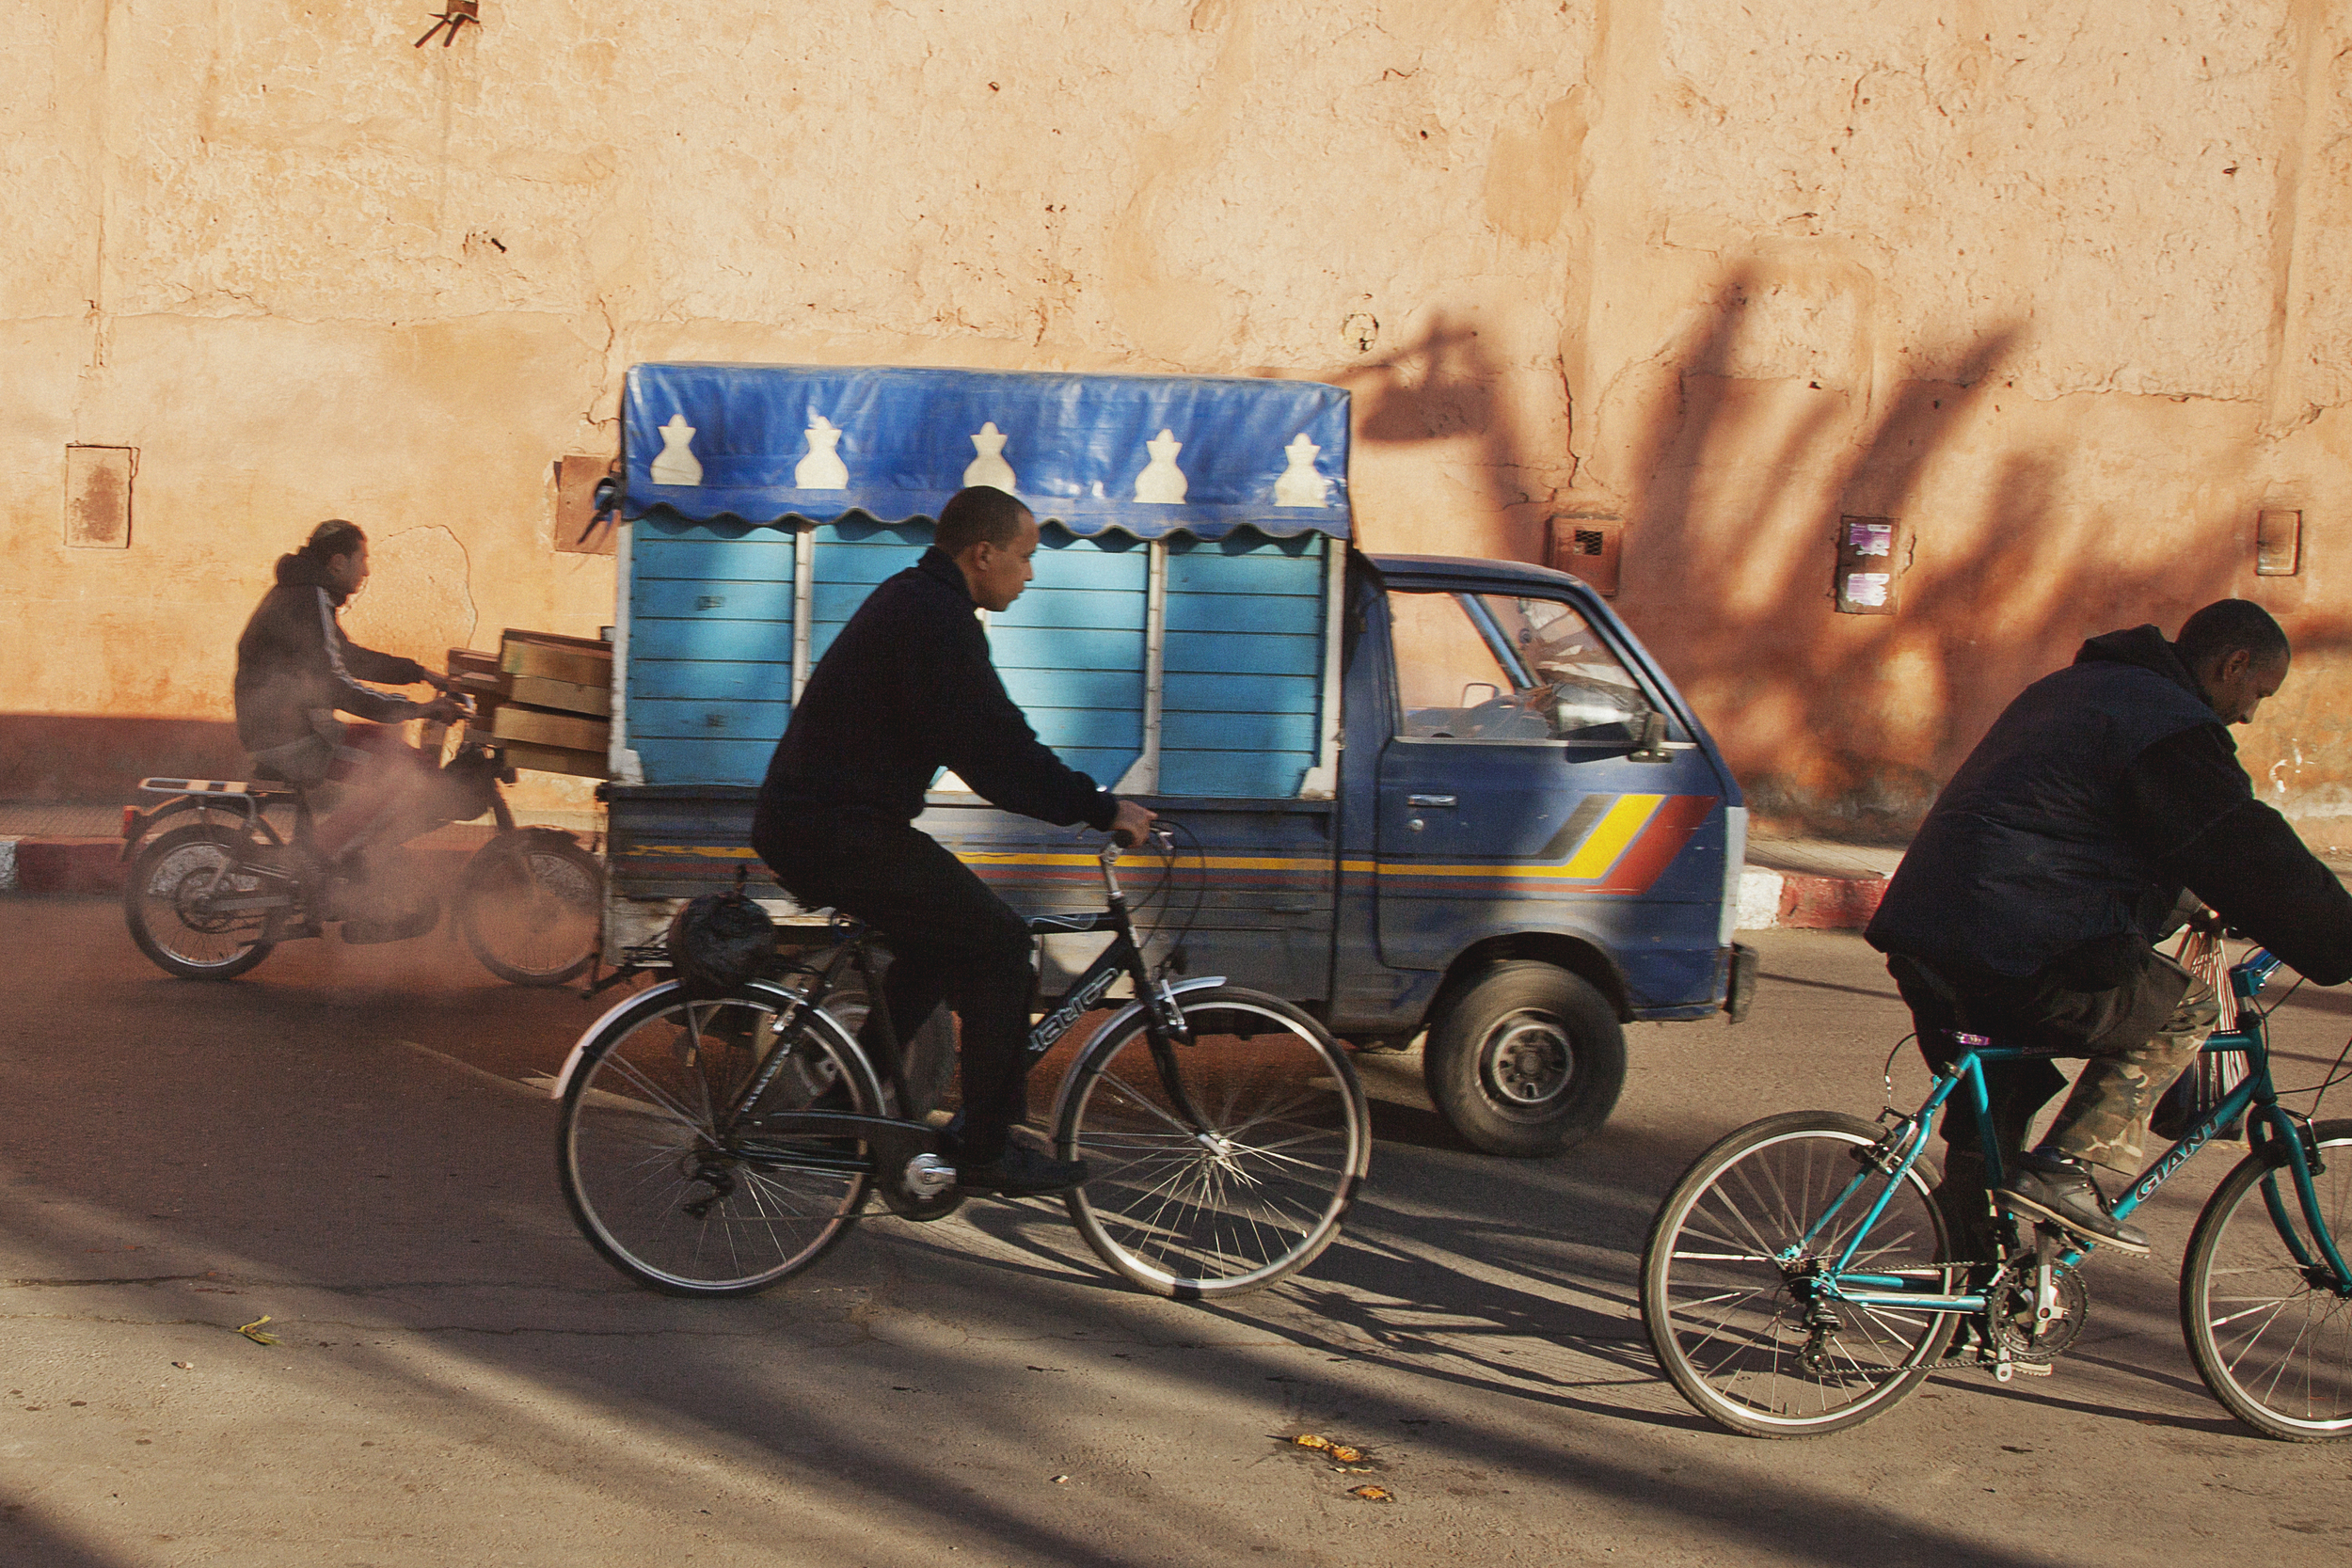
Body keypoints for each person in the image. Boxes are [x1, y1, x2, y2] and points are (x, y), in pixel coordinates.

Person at [1867, 599, 2352, 1254]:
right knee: (2185, 1007)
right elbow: (2242, 845)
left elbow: (2090, 828)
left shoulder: (2080, 690)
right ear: (2234, 663)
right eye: (2257, 692)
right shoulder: (2167, 724)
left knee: (1991, 1120)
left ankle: (1971, 1296)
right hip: (2016, 935)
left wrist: (2189, 902)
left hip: (1930, 927)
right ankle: (2069, 1164)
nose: (2249, 713)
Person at [752, 486, 1157, 1197]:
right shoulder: (934, 620)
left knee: (938, 946)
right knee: (1001, 946)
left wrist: (1083, 802)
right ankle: (984, 1147)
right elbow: (998, 751)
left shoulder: (921, 604)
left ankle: (838, 1114)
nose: (1030, 575)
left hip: (826, 823)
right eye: (1026, 558)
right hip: (835, 829)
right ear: (984, 553)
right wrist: (1101, 807)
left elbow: (991, 744)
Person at [232, 520, 465, 889]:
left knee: (400, 757)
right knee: (406, 777)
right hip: (293, 737)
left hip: (296, 727)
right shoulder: (309, 598)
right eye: (363, 559)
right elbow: (336, 685)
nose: (367, 570)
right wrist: (417, 710)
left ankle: (336, 862)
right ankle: (317, 862)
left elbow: (348, 657)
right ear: (338, 562)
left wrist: (420, 673)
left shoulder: (304, 594)